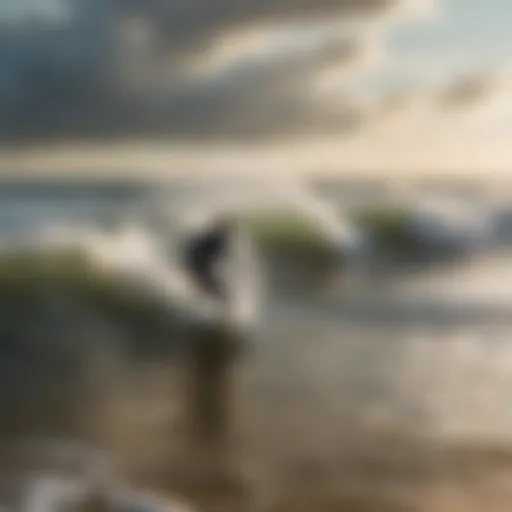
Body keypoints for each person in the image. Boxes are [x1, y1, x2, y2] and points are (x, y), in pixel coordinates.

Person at [181, 215, 234, 302]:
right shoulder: (214, 239)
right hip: (199, 261)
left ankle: (220, 298)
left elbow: (207, 252)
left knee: (204, 280)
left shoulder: (213, 238)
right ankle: (220, 299)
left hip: (199, 261)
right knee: (204, 280)